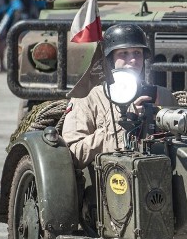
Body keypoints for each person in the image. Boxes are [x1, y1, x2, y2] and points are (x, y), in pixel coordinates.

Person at [62, 23, 171, 169]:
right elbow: (73, 153)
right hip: (108, 180)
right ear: (110, 59)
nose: (132, 60)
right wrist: (121, 126)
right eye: (123, 53)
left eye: (137, 53)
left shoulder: (162, 95)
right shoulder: (88, 97)